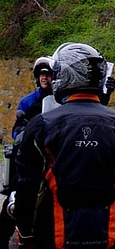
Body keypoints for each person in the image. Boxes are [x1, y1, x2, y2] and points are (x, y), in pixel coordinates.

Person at [14, 42, 115, 249]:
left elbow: (27, 188)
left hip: (52, 235)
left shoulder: (41, 125)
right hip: (112, 235)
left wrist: (25, 234)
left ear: (64, 75)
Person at [0, 56, 54, 249]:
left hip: (54, 149)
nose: (44, 78)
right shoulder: (28, 101)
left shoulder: (61, 100)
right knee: (17, 190)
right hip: (32, 149)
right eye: (42, 74)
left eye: (48, 74)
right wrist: (23, 133)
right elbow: (15, 129)